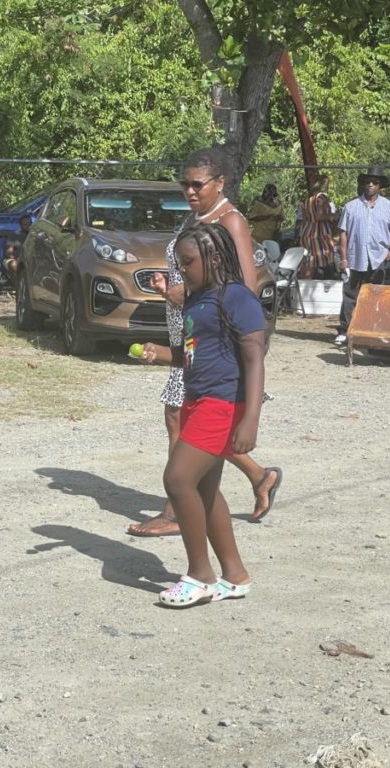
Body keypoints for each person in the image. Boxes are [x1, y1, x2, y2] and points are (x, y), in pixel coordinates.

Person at [127, 147, 282, 538]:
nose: (190, 191)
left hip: (215, 339)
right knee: (194, 420)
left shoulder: (231, 221)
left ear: (220, 183)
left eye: (198, 184)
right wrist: (172, 289)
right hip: (190, 332)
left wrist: (190, 297)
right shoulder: (195, 217)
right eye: (185, 184)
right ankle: (258, 477)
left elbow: (244, 287)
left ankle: (176, 510)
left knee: (182, 417)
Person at [135, 222, 265, 607]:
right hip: (197, 399)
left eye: (188, 262)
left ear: (216, 258)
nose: (182, 270)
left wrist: (251, 419)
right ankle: (235, 576)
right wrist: (162, 354)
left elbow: (254, 359)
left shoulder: (237, 298)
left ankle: (200, 576)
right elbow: (191, 354)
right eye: (179, 263)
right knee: (205, 491)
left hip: (223, 403)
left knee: (177, 479)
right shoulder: (195, 300)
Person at [334, 166, 390, 347]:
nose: (371, 185)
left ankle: (371, 330)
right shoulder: (351, 207)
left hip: (377, 258)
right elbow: (343, 233)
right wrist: (344, 258)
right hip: (355, 258)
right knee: (350, 295)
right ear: (363, 184)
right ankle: (345, 331)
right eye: (368, 182)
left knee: (375, 295)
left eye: (375, 182)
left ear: (380, 186)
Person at [298, 175, 337, 278]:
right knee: (324, 259)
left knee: (308, 261)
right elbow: (319, 216)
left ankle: (304, 282)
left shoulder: (307, 199)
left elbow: (304, 219)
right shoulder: (322, 197)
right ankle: (326, 281)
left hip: (307, 232)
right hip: (320, 233)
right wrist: (333, 216)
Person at [3, 214, 33, 283]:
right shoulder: (14, 235)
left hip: (30, 260)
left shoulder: (34, 235)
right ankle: (18, 285)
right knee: (14, 264)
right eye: (25, 224)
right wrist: (18, 260)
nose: (28, 226)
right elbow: (9, 252)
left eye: (30, 223)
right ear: (21, 225)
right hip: (15, 259)